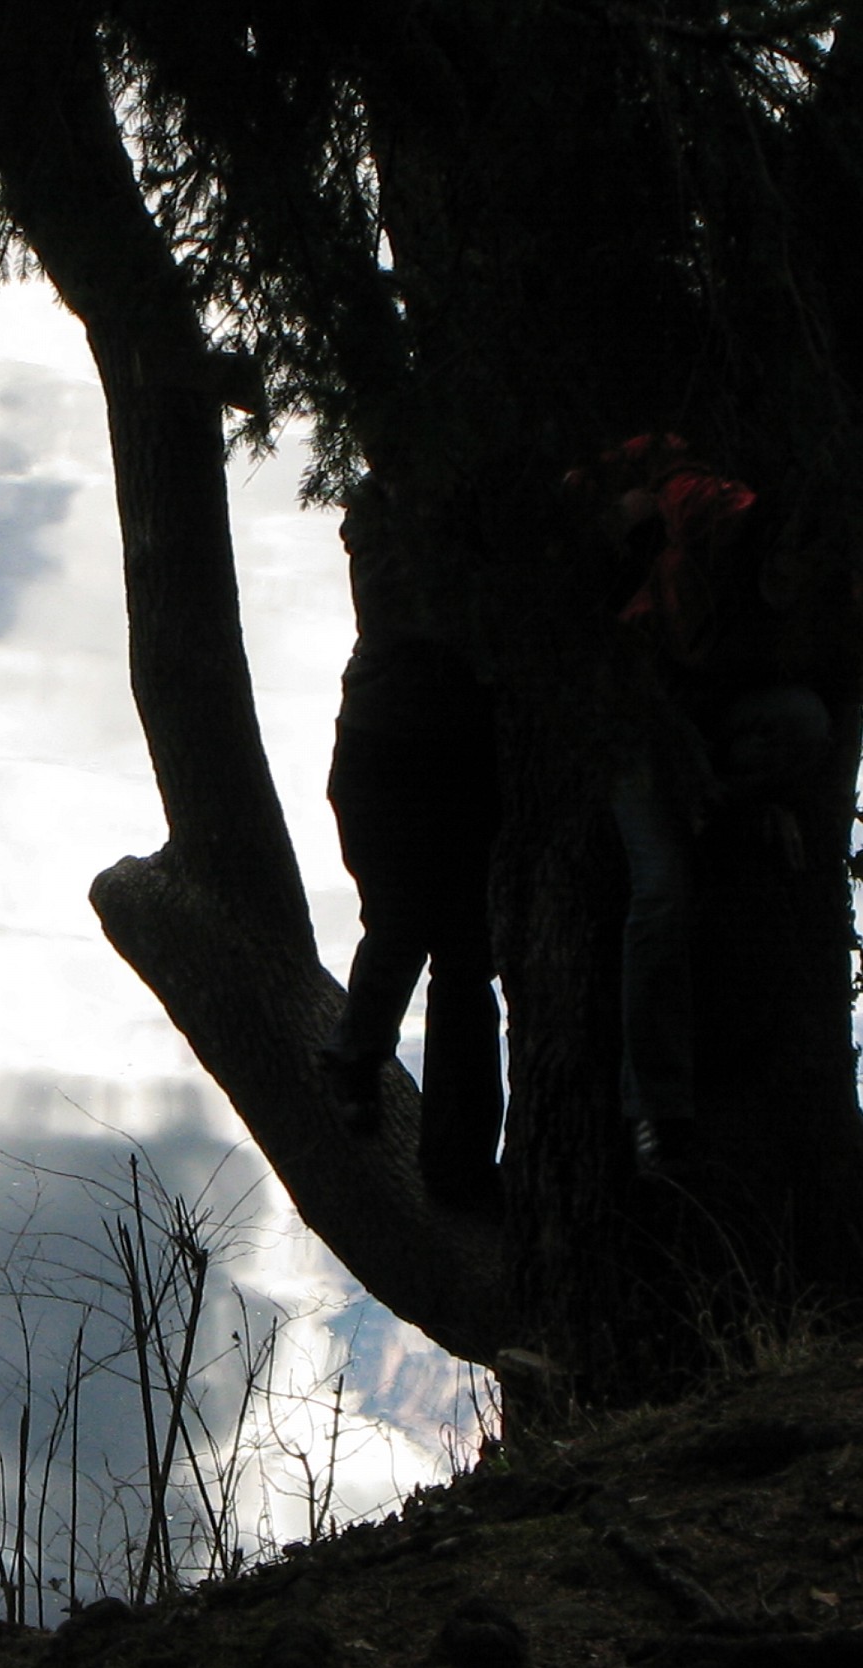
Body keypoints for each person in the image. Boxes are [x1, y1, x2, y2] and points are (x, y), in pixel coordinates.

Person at [572, 435, 830, 1172]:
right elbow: (636, 458)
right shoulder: (705, 510)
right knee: (662, 893)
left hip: (716, 723)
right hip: (639, 721)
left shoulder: (817, 606)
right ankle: (654, 1105)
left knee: (803, 721)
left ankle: (727, 800)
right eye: (784, 562)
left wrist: (766, 793)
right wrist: (608, 502)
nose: (789, 580)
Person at [318, 477, 505, 1214]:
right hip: (388, 749)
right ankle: (354, 1058)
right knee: (401, 923)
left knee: (466, 958)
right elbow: (412, 616)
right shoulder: (389, 508)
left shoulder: (472, 498)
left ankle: (457, 1164)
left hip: (463, 756)